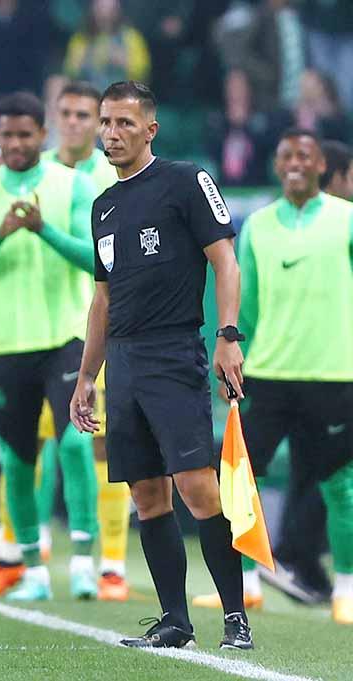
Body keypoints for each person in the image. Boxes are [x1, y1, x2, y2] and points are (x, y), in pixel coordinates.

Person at [70, 80, 253, 650]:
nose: (112, 134)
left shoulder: (186, 180)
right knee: (147, 496)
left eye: (124, 123)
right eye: (105, 123)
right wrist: (85, 377)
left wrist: (228, 335)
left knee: (197, 488)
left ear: (151, 129)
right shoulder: (103, 206)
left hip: (174, 352)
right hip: (121, 363)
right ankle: (175, 620)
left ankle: (234, 617)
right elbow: (103, 300)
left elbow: (226, 261)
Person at [0, 91, 98, 602]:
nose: (15, 143)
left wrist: (42, 230)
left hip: (65, 337)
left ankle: (85, 561)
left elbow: (93, 260)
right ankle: (33, 568)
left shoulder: (74, 186)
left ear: (43, 135)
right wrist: (1, 232)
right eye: (7, 135)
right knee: (16, 458)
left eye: (25, 134)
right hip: (5, 343)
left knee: (76, 446)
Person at [207, 128, 352, 625]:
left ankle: (347, 591)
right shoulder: (259, 226)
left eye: (304, 155)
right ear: (275, 165)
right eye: (286, 155)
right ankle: (245, 585)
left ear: (320, 167)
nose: (294, 162)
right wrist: (232, 351)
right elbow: (244, 305)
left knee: (340, 486)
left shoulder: (347, 219)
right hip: (267, 372)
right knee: (242, 478)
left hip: (335, 374)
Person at [38, 80, 130, 601]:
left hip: (100, 329)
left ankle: (112, 562)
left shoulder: (111, 176)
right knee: (32, 442)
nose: (75, 123)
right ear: (55, 118)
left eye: (84, 115)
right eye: (67, 114)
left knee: (100, 443)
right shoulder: (34, 174)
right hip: (40, 330)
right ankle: (18, 552)